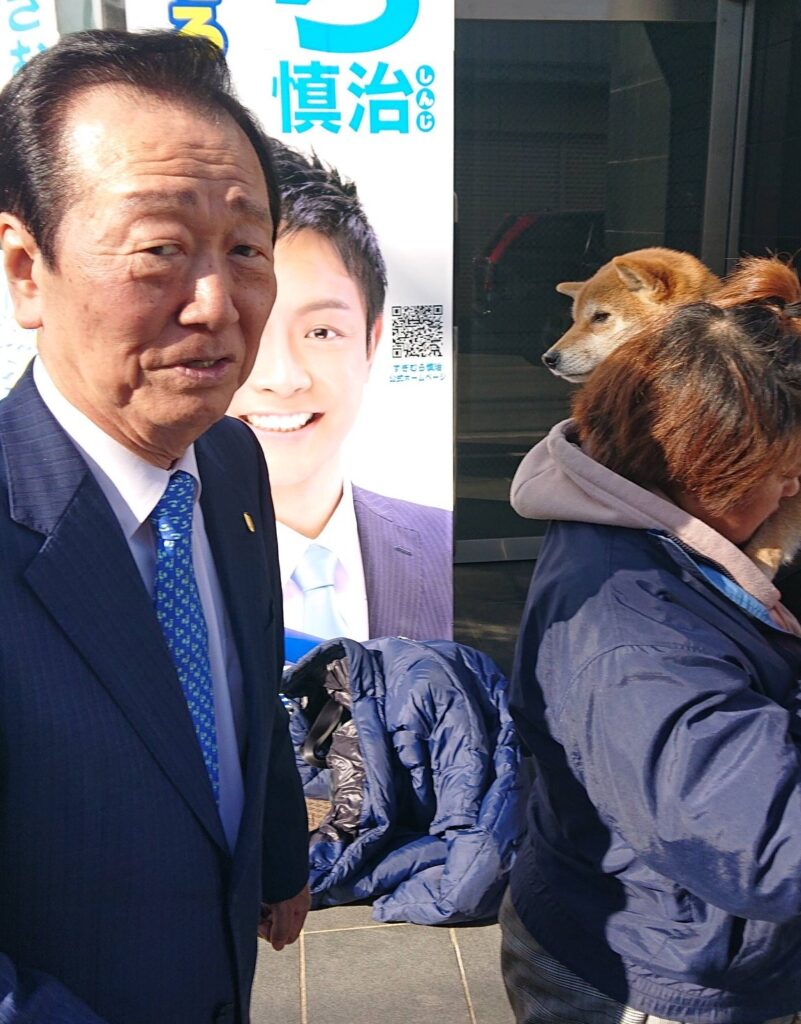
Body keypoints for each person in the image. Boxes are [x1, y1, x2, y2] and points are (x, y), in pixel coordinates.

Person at [0, 29, 309, 1024]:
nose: (216, 304)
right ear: (25, 268)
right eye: (160, 250)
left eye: (246, 250)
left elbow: (247, 685)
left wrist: (276, 856)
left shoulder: (231, 461)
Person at [501, 256, 801, 1023]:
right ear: (707, 474)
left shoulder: (643, 521)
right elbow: (766, 844)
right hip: (652, 974)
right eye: (780, 471)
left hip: (666, 932)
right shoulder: (637, 645)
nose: (791, 490)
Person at [228, 143, 452, 644]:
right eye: (245, 328)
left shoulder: (442, 541)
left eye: (322, 332)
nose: (283, 377)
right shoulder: (148, 570)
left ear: (371, 342)